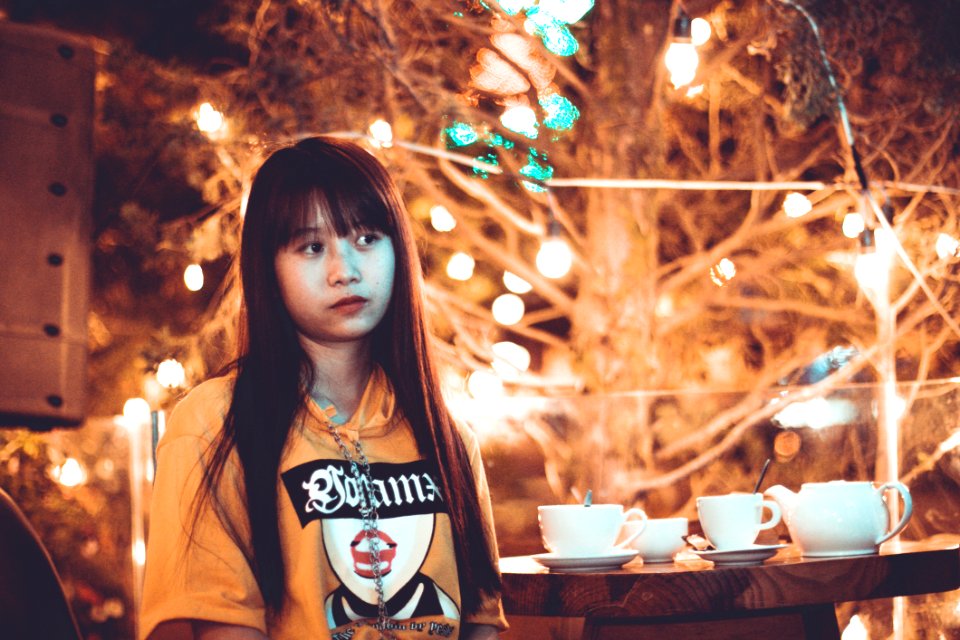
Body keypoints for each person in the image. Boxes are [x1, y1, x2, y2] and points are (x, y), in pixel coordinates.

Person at [140, 137, 506, 640]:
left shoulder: (448, 437)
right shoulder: (216, 423)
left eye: (367, 239)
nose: (344, 272)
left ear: (398, 249)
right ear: (268, 268)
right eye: (312, 247)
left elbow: (480, 624)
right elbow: (223, 628)